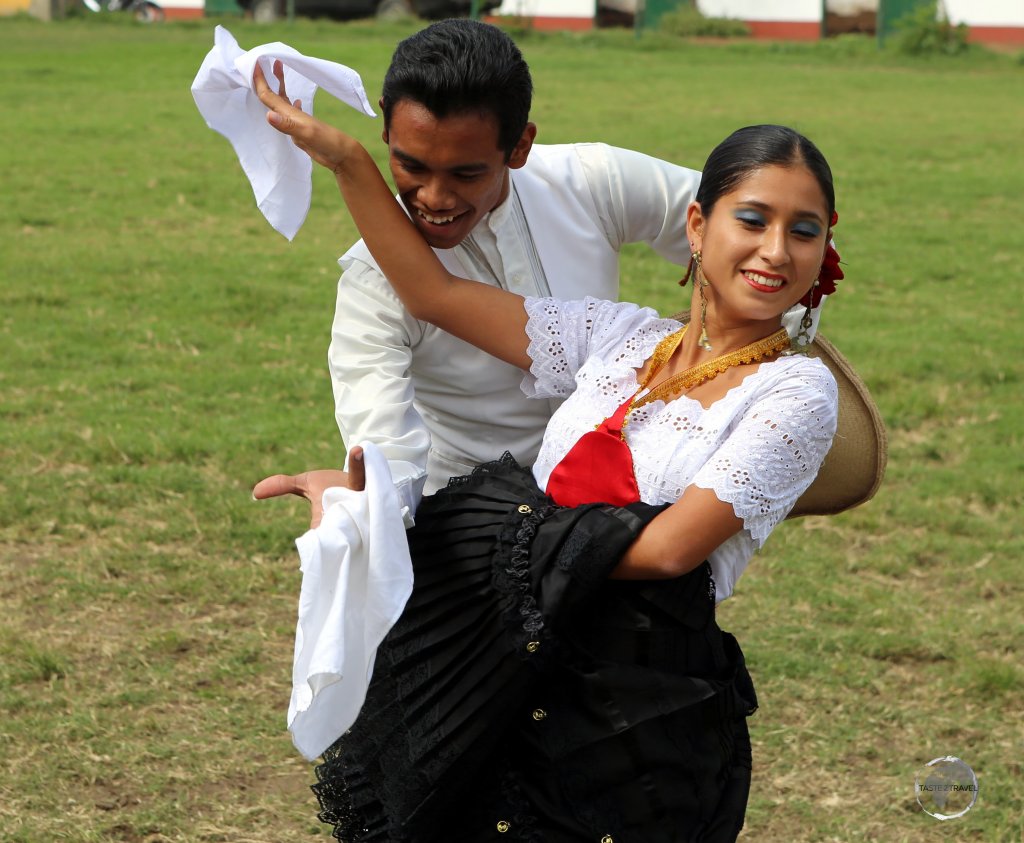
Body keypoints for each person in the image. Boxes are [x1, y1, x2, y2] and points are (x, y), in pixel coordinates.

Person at [253, 52, 841, 841]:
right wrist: (350, 160)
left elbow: (668, 550)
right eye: (753, 220)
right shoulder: (623, 336)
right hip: (509, 662)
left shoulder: (795, 392)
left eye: (803, 232)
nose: (775, 250)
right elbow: (435, 292)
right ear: (696, 226)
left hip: (635, 711)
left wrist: (471, 526)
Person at [255, 19, 702, 528]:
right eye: (412, 166)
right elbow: (385, 455)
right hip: (470, 531)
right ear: (386, 130)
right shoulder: (373, 281)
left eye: (466, 173)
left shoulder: (590, 181)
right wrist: (362, 499)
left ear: (519, 147)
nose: (434, 198)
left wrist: (709, 355)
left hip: (620, 510)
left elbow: (740, 227)